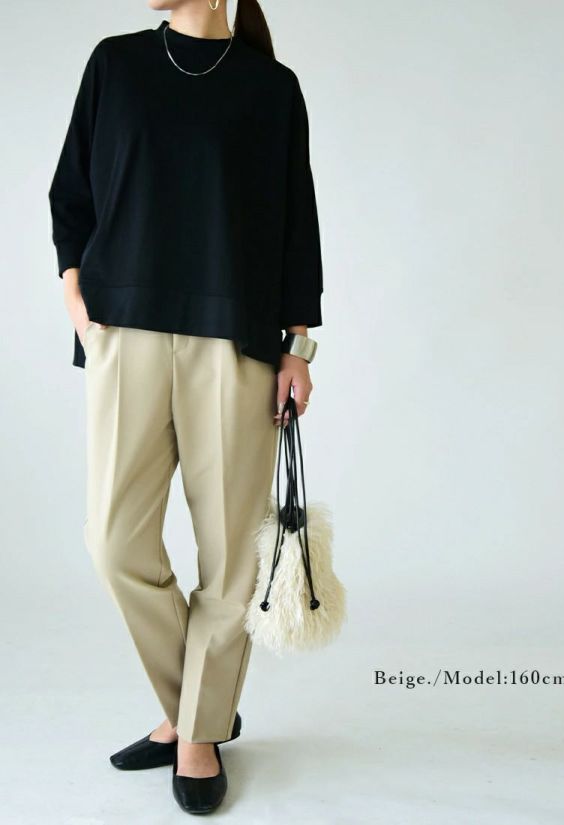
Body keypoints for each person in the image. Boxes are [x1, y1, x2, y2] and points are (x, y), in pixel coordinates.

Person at [48, 0, 323, 814]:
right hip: (123, 331)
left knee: (230, 558)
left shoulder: (271, 89)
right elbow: (73, 187)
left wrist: (298, 347)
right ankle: (202, 705)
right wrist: (73, 290)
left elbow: (295, 225)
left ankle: (193, 732)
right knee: (114, 541)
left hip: (233, 342)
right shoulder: (116, 64)